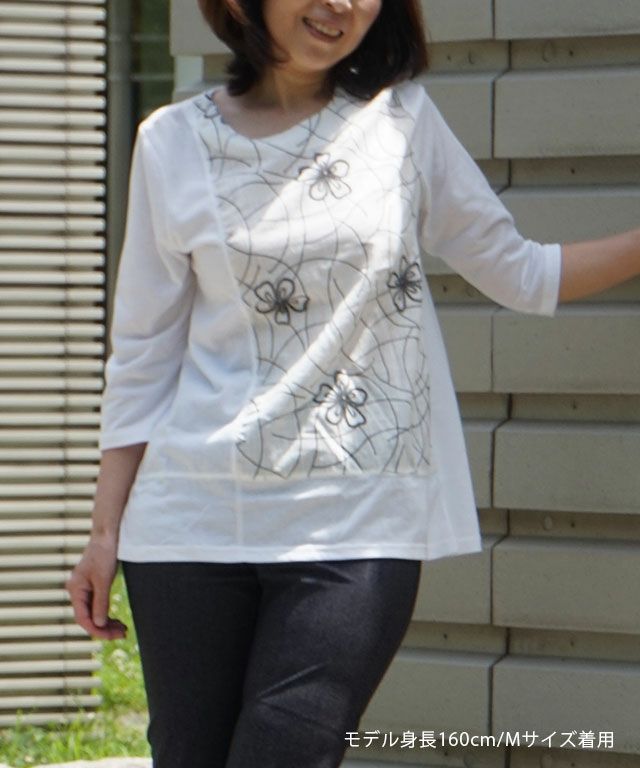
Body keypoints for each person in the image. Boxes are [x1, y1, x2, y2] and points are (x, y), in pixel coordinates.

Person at [66, 1, 640, 766]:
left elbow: (523, 272)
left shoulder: (400, 123)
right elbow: (144, 352)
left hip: (356, 522)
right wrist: (104, 534)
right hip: (190, 522)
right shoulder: (170, 141)